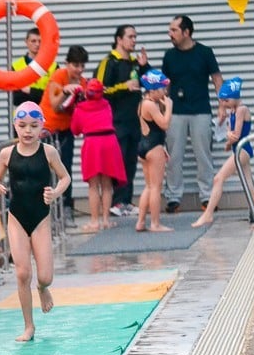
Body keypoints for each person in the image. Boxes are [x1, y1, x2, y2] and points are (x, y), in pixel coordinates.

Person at [0, 102, 70, 343]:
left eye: (34, 126)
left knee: (45, 276)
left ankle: (43, 289)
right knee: (23, 273)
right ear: (15, 126)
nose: (27, 131)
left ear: (41, 126)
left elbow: (65, 177)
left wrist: (55, 193)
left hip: (40, 218)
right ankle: (28, 326)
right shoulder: (7, 154)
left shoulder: (48, 153)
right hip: (16, 217)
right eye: (22, 125)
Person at [191, 77, 254, 228]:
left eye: (226, 101)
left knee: (218, 178)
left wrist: (229, 137)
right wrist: (228, 141)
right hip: (240, 150)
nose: (224, 104)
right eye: (222, 101)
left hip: (243, 150)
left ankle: (208, 214)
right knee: (249, 186)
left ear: (235, 97)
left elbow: (235, 134)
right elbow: (231, 137)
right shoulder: (234, 111)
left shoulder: (242, 110)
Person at [162, 15, 222, 214]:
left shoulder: (205, 52)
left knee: (203, 155)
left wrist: (223, 105)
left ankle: (207, 197)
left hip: (201, 111)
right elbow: (166, 85)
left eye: (174, 30)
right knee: (173, 157)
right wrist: (161, 111)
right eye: (170, 30)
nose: (170, 34)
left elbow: (216, 79)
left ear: (186, 32)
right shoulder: (169, 56)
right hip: (176, 112)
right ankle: (173, 198)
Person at [93, 24, 150, 216]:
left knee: (130, 162)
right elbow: (98, 90)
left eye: (135, 36)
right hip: (115, 122)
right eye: (130, 37)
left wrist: (144, 66)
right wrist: (123, 86)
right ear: (119, 39)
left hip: (134, 121)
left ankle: (126, 200)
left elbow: (153, 84)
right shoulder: (109, 62)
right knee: (116, 163)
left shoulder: (134, 62)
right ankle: (115, 202)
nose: (134, 40)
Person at [71, 79, 127, 232]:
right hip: (109, 141)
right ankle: (106, 220)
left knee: (93, 185)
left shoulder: (80, 108)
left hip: (92, 143)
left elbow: (75, 130)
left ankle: (94, 222)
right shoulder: (106, 105)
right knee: (107, 185)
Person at [39, 44, 88, 212]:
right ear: (67, 64)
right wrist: (65, 92)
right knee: (45, 169)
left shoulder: (82, 82)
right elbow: (54, 105)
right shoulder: (58, 76)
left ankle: (65, 206)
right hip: (48, 129)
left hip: (66, 130)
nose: (79, 69)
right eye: (75, 65)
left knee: (64, 168)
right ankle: (45, 207)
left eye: (82, 66)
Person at [135, 69, 174, 233]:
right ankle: (155, 223)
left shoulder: (144, 103)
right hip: (153, 148)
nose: (165, 92)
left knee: (149, 186)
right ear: (153, 90)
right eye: (162, 89)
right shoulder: (150, 105)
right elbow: (165, 124)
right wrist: (170, 107)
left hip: (144, 146)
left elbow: (157, 127)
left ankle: (141, 222)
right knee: (156, 187)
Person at [11, 27, 58, 106]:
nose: (37, 44)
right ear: (26, 42)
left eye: (40, 41)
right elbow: (16, 99)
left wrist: (30, 90)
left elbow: (53, 97)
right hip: (23, 115)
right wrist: (40, 93)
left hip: (45, 115)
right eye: (33, 41)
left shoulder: (53, 66)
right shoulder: (16, 66)